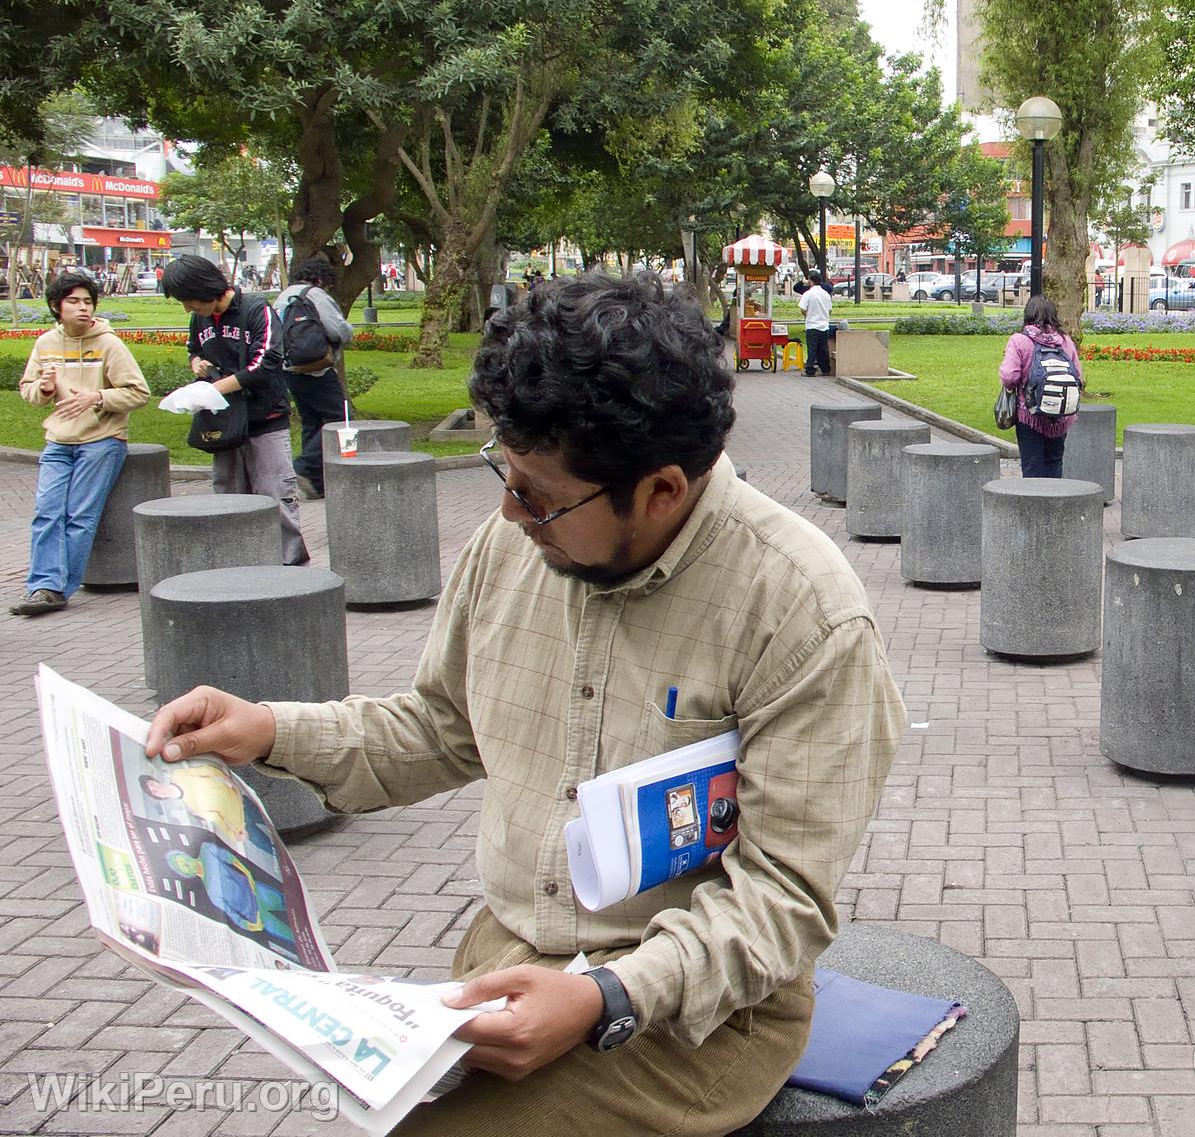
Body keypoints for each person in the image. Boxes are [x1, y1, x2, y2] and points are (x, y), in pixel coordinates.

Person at [143, 272, 905, 1135]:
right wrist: (271, 730)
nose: (509, 514)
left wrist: (601, 997)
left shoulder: (803, 611)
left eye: (537, 496)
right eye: (503, 475)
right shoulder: (512, 549)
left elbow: (783, 901)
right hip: (506, 955)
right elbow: (436, 729)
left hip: (694, 1018)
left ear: (660, 490)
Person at [12, 271, 150, 617]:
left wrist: (97, 397)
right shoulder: (45, 344)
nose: (83, 308)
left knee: (79, 516)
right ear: (57, 306)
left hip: (102, 441)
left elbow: (138, 392)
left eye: (88, 301)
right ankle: (43, 585)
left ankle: (55, 590)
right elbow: (29, 390)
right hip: (58, 440)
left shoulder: (109, 344)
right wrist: (42, 389)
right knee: (47, 513)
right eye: (74, 301)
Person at [162, 254, 309, 565]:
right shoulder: (199, 318)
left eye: (190, 300)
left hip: (264, 418)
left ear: (206, 288)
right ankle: (238, 566)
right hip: (223, 422)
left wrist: (213, 389)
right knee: (229, 495)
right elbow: (195, 349)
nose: (189, 308)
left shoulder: (257, 310)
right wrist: (196, 364)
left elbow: (266, 364)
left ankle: (290, 567)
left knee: (275, 496)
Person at [272, 257, 354, 500]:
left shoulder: (283, 296)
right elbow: (338, 329)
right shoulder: (315, 295)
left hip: (290, 369)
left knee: (311, 422)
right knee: (341, 420)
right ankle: (304, 468)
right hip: (316, 367)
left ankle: (315, 483)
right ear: (321, 279)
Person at [998, 294, 1083, 478]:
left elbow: (1009, 376)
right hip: (1061, 415)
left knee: (1032, 465)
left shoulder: (1019, 340)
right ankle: (1053, 503)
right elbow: (1079, 377)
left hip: (1030, 415)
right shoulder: (1065, 341)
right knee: (1054, 461)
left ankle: (1034, 505)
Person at [798, 269, 833, 377]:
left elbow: (803, 309)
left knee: (812, 348)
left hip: (812, 325)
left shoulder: (808, 294)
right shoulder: (826, 294)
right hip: (824, 325)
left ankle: (810, 369)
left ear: (810, 281)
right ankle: (825, 369)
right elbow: (830, 310)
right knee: (823, 349)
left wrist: (808, 314)